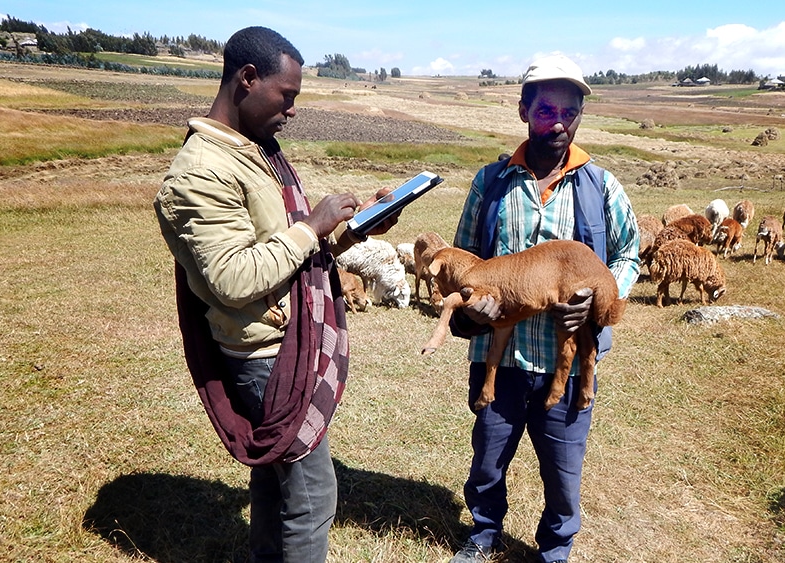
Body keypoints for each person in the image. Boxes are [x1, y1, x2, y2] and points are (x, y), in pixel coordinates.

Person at [154, 26, 397, 563]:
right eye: (286, 96)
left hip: (282, 340)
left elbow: (286, 257)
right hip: (265, 355)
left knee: (276, 486)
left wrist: (355, 231)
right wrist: (311, 226)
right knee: (310, 500)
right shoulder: (201, 172)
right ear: (247, 79)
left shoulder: (253, 152)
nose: (291, 110)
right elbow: (234, 280)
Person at [447, 54, 641, 563]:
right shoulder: (489, 185)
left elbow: (628, 255)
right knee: (488, 456)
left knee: (562, 468)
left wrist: (598, 301)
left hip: (569, 363)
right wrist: (469, 311)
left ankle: (555, 548)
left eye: (569, 113)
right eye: (545, 111)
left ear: (579, 117)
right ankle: (483, 533)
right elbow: (466, 256)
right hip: (501, 356)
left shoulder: (601, 188)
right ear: (522, 111)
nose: (557, 123)